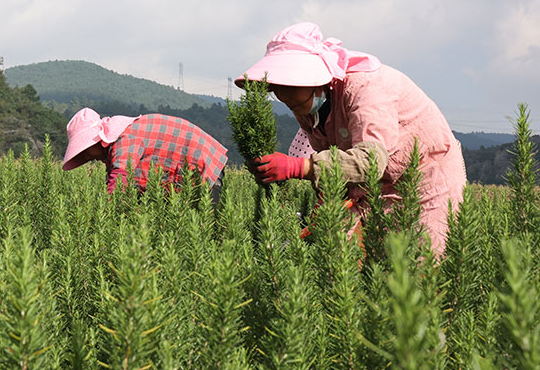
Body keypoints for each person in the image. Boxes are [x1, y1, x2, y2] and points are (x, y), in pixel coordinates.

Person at [236, 22, 466, 255]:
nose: (286, 99)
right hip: (372, 188)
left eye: (292, 89)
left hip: (423, 184)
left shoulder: (366, 88)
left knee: (417, 268)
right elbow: (337, 157)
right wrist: (328, 195)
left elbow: (371, 161)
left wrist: (300, 166)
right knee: (349, 262)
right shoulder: (309, 108)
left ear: (316, 81)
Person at [62, 107, 228, 208]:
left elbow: (119, 181)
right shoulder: (116, 145)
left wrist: (103, 216)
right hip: (188, 173)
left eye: (85, 151)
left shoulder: (125, 139)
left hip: (204, 165)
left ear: (96, 141)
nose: (87, 157)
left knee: (206, 229)